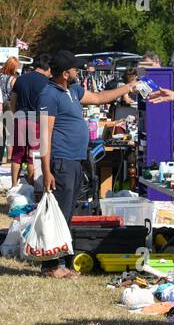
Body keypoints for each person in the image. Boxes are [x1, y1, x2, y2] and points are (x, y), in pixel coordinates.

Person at [38, 51, 140, 279]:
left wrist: (127, 87)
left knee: (68, 213)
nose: (78, 72)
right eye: (74, 69)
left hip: (76, 160)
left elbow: (99, 98)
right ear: (65, 73)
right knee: (59, 213)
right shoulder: (48, 95)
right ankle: (51, 265)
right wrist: (46, 171)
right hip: (61, 160)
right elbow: (44, 135)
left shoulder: (72, 90)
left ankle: (61, 262)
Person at [8, 54, 53, 188]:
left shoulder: (20, 79)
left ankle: (14, 186)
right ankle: (33, 186)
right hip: (37, 120)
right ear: (48, 68)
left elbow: (13, 101)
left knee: (17, 155)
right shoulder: (47, 83)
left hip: (21, 117)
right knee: (32, 155)